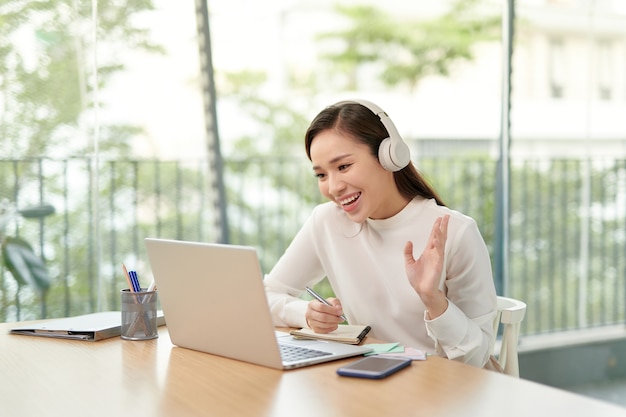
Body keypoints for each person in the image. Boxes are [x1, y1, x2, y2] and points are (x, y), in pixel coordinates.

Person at [264, 99, 497, 368]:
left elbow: (477, 359)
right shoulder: (326, 222)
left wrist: (434, 300)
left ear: (389, 155)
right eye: (321, 175)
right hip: (374, 377)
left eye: (343, 167)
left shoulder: (455, 232)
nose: (334, 187)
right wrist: (306, 313)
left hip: (444, 389)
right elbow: (266, 296)